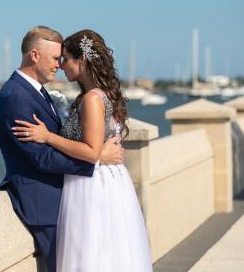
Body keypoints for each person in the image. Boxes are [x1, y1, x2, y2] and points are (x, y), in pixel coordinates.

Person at [12, 29, 152, 272]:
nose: (62, 65)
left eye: (66, 58)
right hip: (106, 181)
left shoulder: (92, 99)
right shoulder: (100, 95)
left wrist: (48, 136)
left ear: (83, 60)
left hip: (91, 186)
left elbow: (90, 151)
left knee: (90, 255)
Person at [0, 26, 125, 272]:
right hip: (44, 204)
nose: (59, 65)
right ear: (34, 56)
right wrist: (96, 158)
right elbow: (41, 158)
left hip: (66, 198)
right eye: (55, 58)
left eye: (62, 59)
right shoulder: (15, 97)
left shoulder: (37, 92)